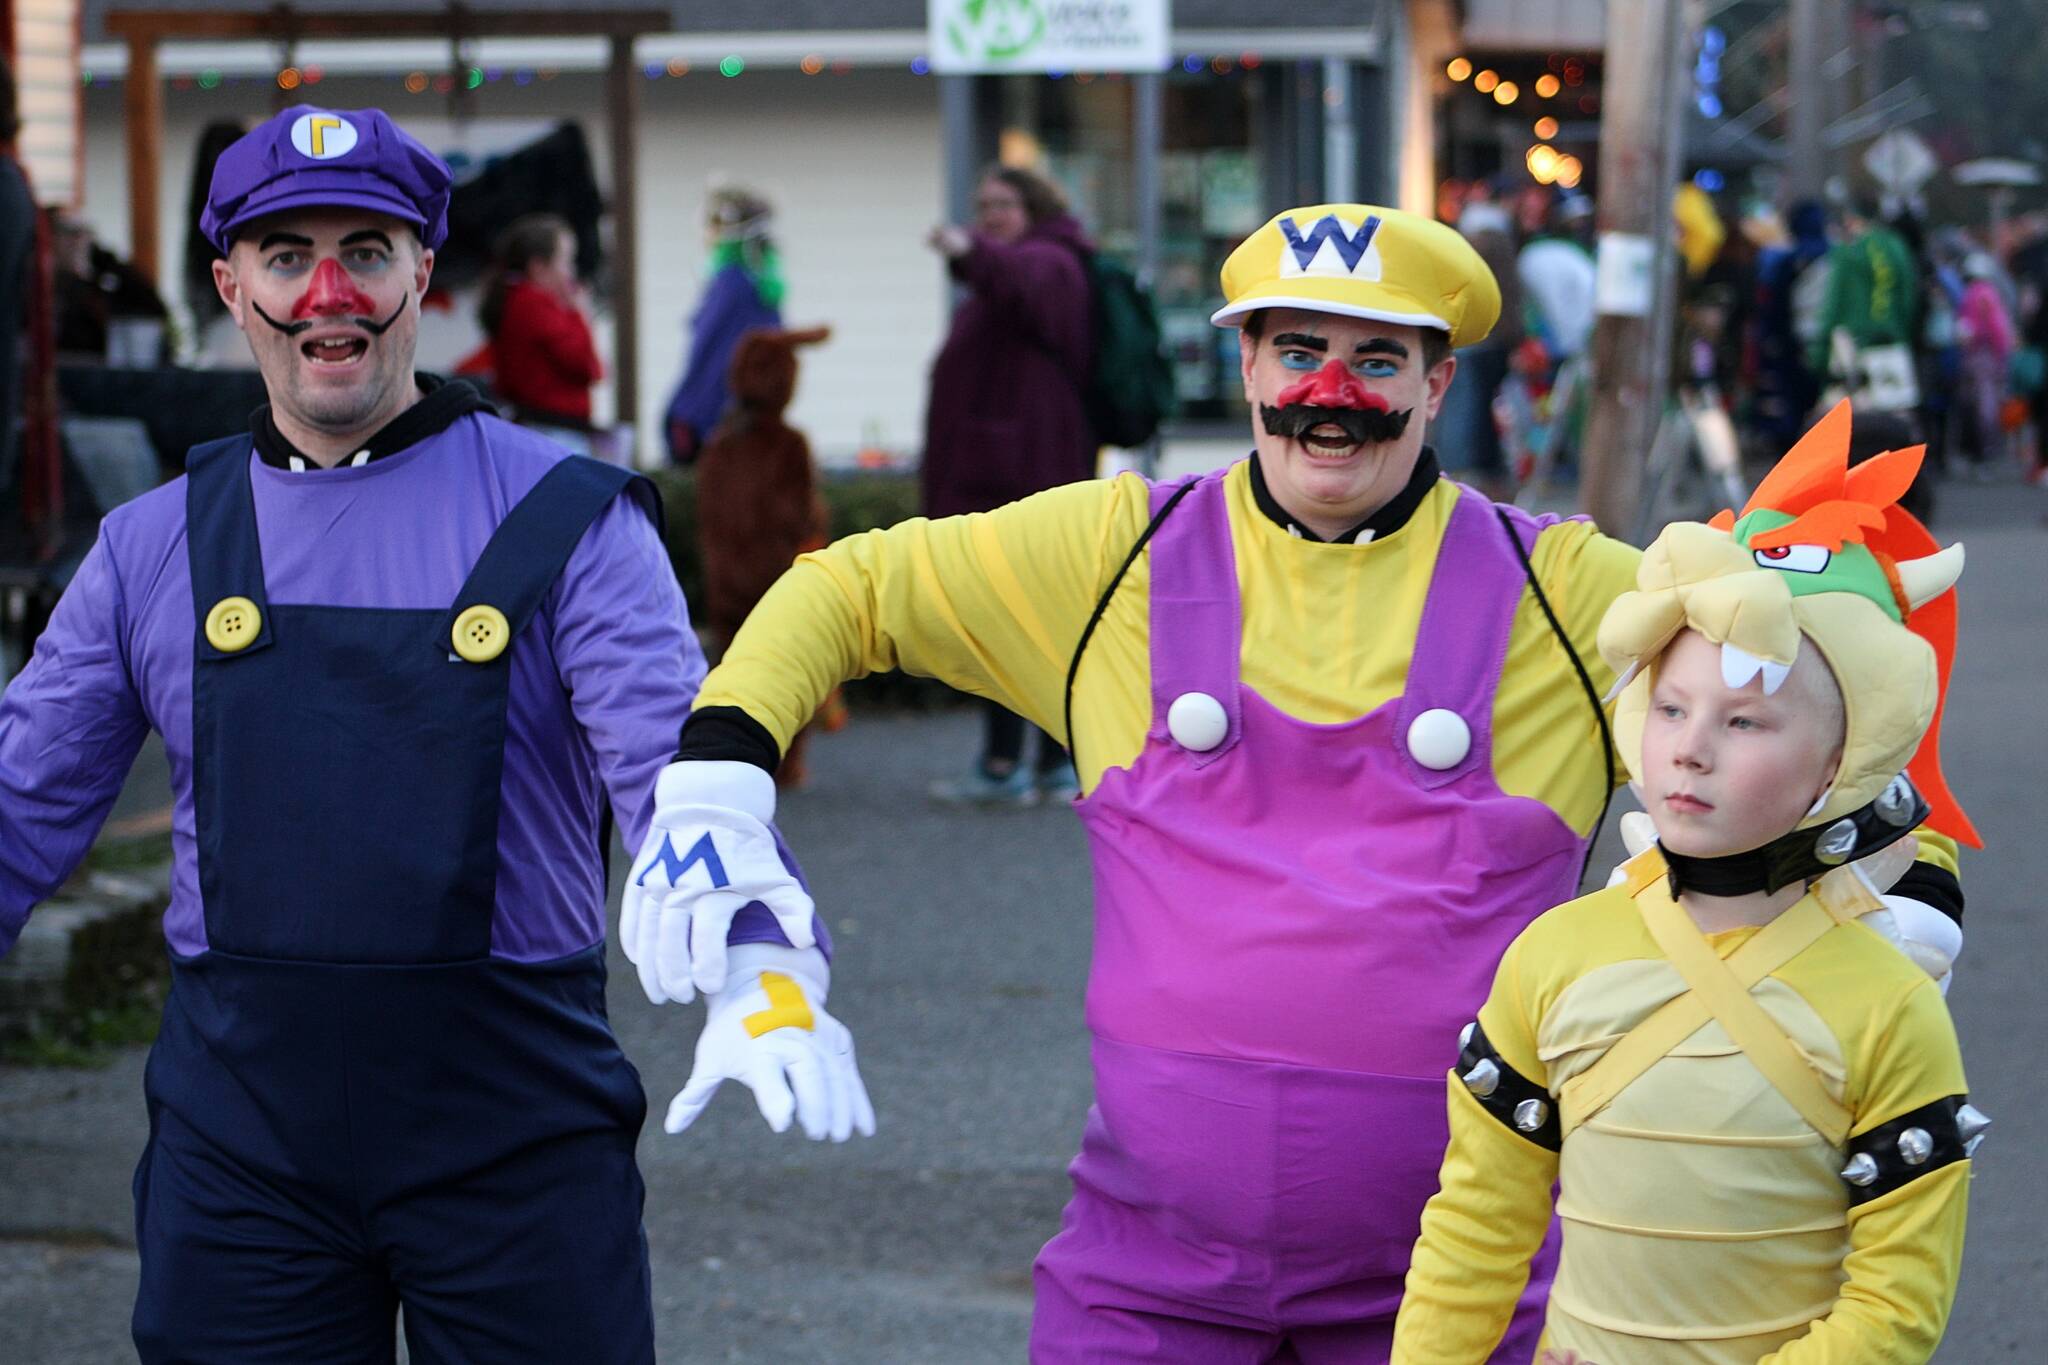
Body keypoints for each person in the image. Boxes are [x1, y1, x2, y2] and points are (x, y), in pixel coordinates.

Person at [620, 203, 1970, 1359]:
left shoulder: (1572, 594)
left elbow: (1842, 690)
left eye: (1378, 359)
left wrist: (1914, 895)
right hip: (1144, 1278)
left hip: (1466, 1280)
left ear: (1440, 384)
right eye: (1297, 349)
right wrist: (722, 772)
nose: (1331, 389)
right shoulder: (1111, 554)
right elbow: (846, 588)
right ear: (1248, 366)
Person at [0, 103, 865, 1363]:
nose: (327, 293)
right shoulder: (152, 546)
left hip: (511, 1141)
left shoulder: (569, 520)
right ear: (229, 284)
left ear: (425, 270)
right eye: (286, 256)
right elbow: (23, 803)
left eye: (368, 248)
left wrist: (764, 965)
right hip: (242, 1149)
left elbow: (679, 773)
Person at [1393, 401, 1982, 1362]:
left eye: (1744, 722)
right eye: (1670, 706)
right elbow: (1475, 1235)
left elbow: (1895, 1305)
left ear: (1841, 760)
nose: (1691, 751)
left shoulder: (1890, 1009)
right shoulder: (1553, 955)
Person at [922, 164, 1095, 806]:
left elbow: (1018, 282)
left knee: (1017, 620)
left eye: (1003, 203)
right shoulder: (1034, 264)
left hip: (1024, 478)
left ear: (1035, 207)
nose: (989, 215)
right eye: (982, 205)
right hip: (1009, 473)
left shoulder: (1050, 262)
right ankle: (1040, 763)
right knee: (1025, 621)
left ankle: (1010, 765)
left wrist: (972, 251)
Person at [664, 185, 783, 465]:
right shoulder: (763, 285)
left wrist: (684, 412)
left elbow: (708, 356)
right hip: (752, 421)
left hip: (717, 421)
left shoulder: (731, 285)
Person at [468, 211, 604, 444]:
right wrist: (579, 313)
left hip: (535, 425)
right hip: (553, 429)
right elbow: (587, 367)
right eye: (566, 261)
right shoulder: (534, 305)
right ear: (538, 267)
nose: (571, 272)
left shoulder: (513, 299)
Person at [1954, 250, 2016, 477]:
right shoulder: (1987, 294)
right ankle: (1987, 451)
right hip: (1987, 356)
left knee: (1977, 404)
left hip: (1974, 355)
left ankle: (1980, 452)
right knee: (1987, 405)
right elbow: (1999, 329)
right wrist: (2003, 355)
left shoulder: (1972, 294)